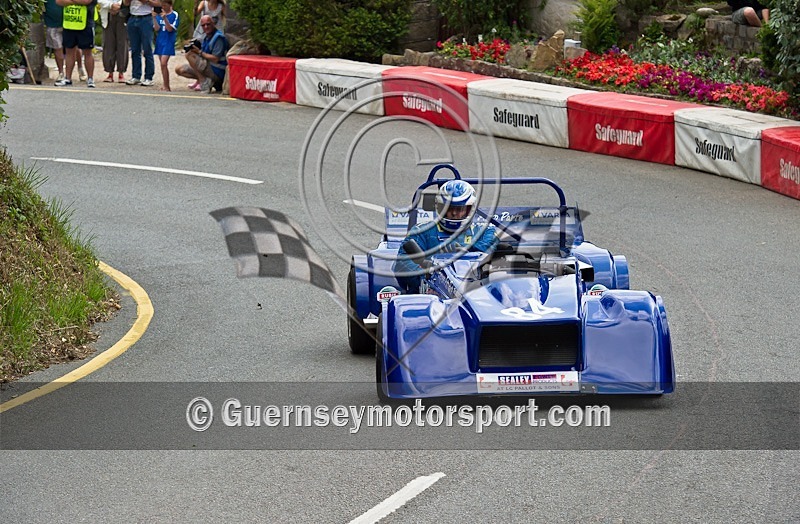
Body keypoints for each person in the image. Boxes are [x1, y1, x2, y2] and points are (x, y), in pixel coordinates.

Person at [393, 180, 498, 293]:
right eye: (450, 209)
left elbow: (493, 256)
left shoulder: (485, 231)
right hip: (433, 295)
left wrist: (466, 254)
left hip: (477, 291)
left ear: (470, 209)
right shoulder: (422, 231)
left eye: (460, 209)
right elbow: (401, 265)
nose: (454, 213)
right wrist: (430, 271)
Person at [175, 14, 228, 93]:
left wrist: (199, 52)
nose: (206, 27)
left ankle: (204, 82)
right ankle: (207, 80)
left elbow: (215, 59)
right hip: (209, 67)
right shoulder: (206, 37)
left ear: (213, 24)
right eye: (203, 25)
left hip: (217, 71)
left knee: (189, 55)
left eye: (208, 24)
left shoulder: (218, 38)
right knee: (179, 69)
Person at [54, 0, 97, 88]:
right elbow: (59, 1)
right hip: (69, 23)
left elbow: (86, 1)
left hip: (85, 24)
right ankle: (68, 78)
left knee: (87, 52)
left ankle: (90, 79)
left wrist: (70, 1)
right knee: (69, 52)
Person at [123, 0, 160, 86]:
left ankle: (149, 77)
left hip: (146, 17)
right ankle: (136, 76)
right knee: (135, 49)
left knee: (147, 49)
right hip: (132, 17)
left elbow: (158, 3)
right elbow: (125, 3)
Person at [97, 0, 129, 82]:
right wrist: (111, 5)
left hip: (122, 14)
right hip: (107, 14)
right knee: (108, 44)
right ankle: (110, 73)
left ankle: (121, 73)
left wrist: (119, 6)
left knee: (122, 44)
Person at [153, 0, 178, 91]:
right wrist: (154, 18)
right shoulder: (159, 15)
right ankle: (165, 84)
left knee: (164, 62)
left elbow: (170, 29)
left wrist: (165, 19)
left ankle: (167, 85)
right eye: (162, 5)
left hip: (168, 41)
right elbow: (157, 28)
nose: (163, 7)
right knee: (162, 64)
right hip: (160, 40)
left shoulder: (174, 15)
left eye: (165, 5)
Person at [43, 0, 66, 82]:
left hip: (69, 22)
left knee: (73, 48)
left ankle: (80, 68)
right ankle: (61, 73)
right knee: (57, 48)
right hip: (52, 23)